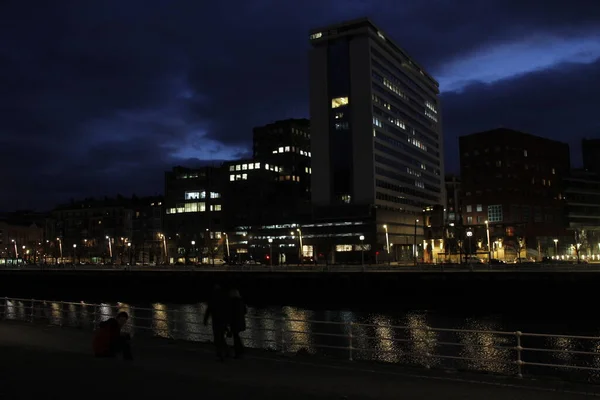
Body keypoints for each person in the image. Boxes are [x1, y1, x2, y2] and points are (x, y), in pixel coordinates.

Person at [204, 284, 229, 361]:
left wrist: (205, 319)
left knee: (217, 337)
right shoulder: (224, 298)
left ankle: (220, 353)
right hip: (223, 320)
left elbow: (208, 310)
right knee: (221, 336)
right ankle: (226, 351)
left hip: (216, 320)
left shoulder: (212, 298)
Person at [228, 289, 247, 359]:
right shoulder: (241, 301)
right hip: (240, 322)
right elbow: (245, 311)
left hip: (234, 322)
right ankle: (241, 350)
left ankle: (238, 352)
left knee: (235, 337)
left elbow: (230, 313)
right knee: (236, 336)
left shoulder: (232, 302)